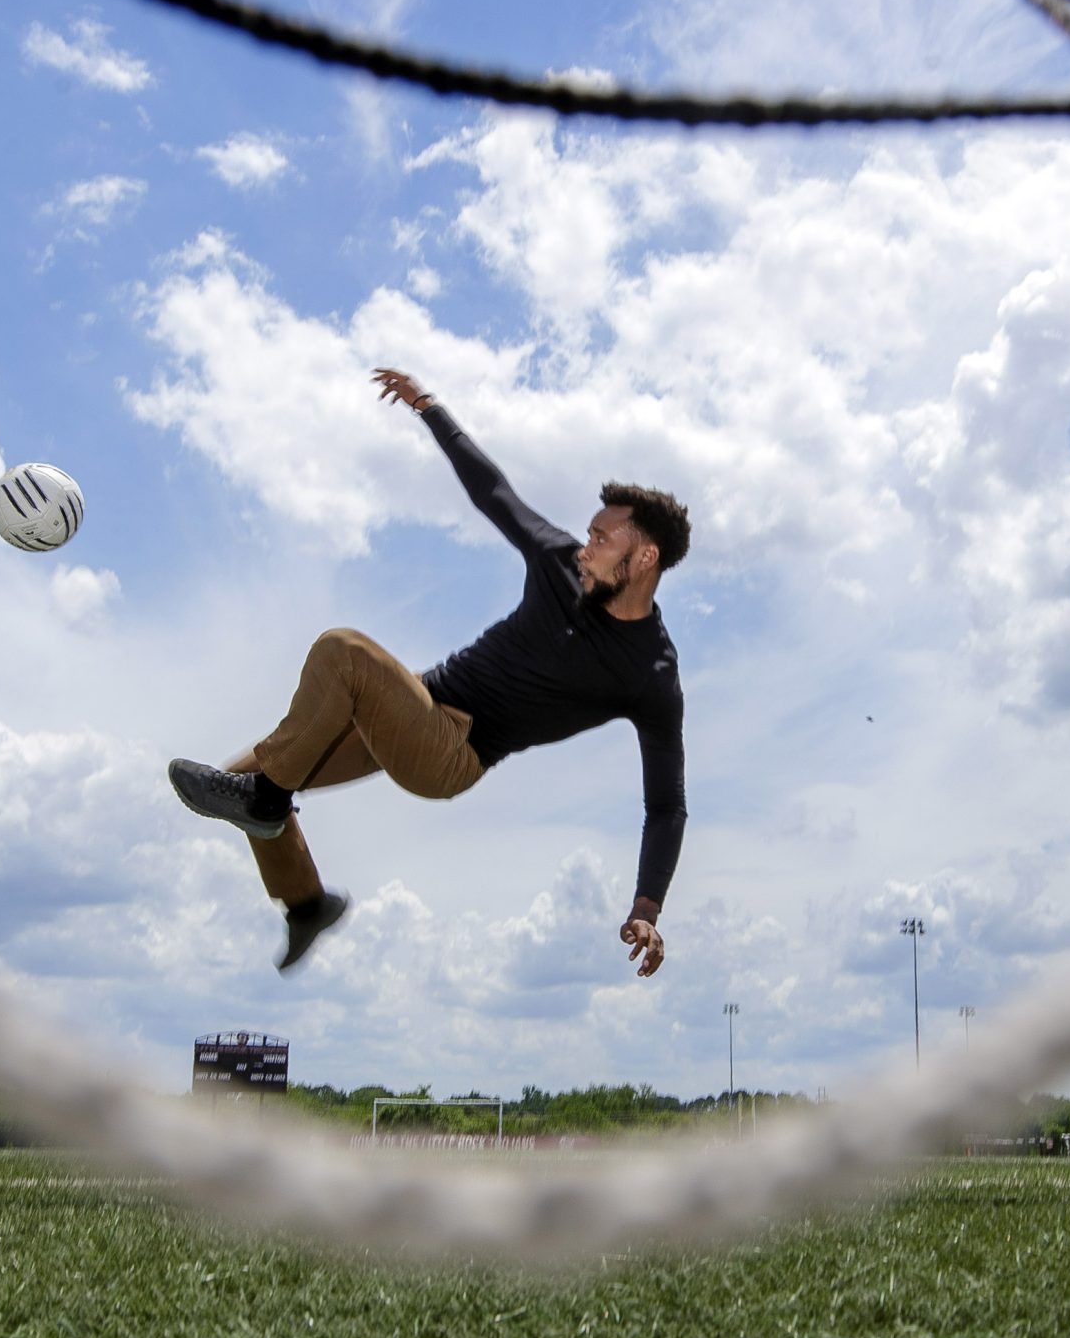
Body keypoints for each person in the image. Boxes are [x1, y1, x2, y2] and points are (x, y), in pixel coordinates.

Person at [166, 367, 692, 975]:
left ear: (644, 557)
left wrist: (647, 907)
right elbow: (494, 493)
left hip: (451, 751)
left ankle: (267, 801)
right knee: (248, 777)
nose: (584, 546)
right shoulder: (559, 563)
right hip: (414, 700)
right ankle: (307, 904)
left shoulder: (651, 673)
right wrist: (429, 408)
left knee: (342, 651)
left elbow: (666, 805)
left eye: (602, 539)